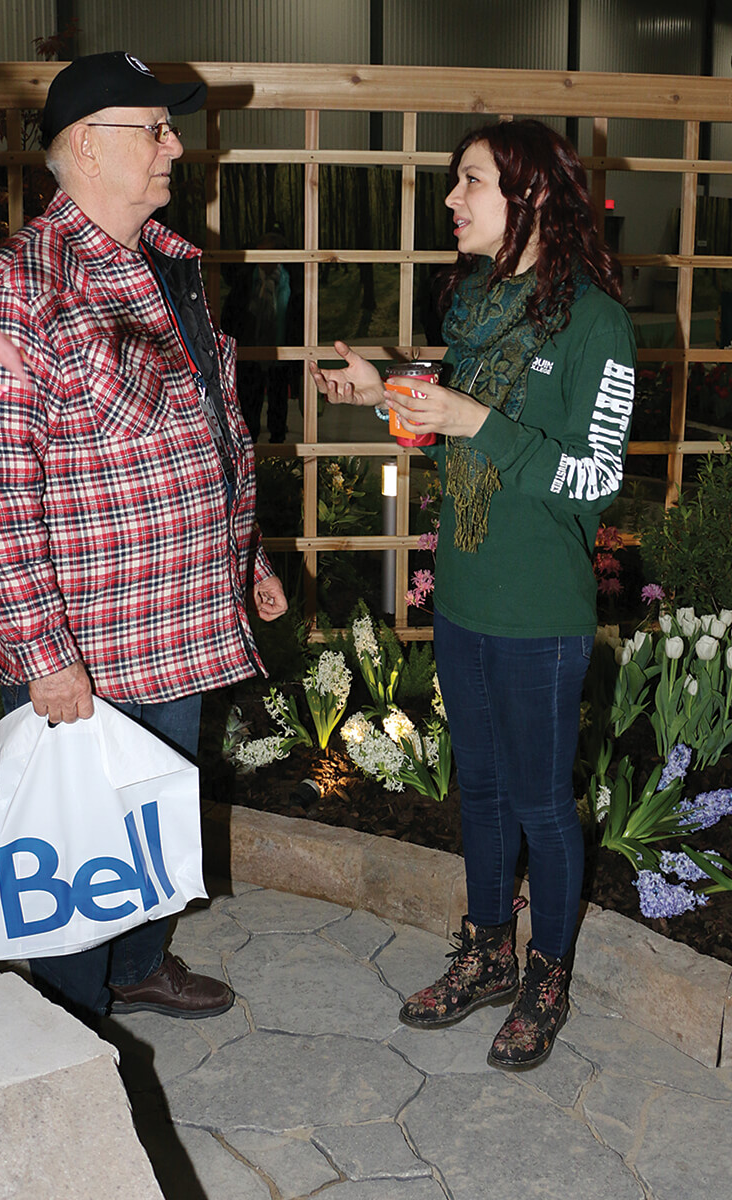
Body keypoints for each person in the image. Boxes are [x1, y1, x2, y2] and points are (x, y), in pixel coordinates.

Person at [0, 51, 287, 1025]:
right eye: (156, 127)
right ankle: (69, 1019)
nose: (175, 145)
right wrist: (45, 653)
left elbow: (205, 428)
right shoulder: (20, 286)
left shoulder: (167, 264)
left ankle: (137, 966)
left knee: (154, 819)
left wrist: (244, 561)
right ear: (88, 146)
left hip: (178, 623)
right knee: (80, 846)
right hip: (89, 649)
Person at [309, 119, 635, 1069]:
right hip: (463, 591)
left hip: (539, 612)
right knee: (483, 793)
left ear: (531, 195)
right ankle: (489, 952)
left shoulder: (596, 322)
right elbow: (442, 420)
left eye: (471, 183)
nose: (451, 200)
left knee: (540, 800)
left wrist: (474, 420)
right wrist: (384, 395)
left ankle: (548, 977)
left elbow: (595, 480)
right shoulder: (479, 304)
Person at [221, 230, 302, 444]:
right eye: (261, 254)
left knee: (278, 402)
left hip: (281, 351)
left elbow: (298, 318)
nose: (264, 259)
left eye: (270, 254)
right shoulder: (245, 279)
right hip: (249, 352)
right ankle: (251, 445)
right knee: (249, 403)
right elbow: (231, 315)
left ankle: (278, 445)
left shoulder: (292, 280)